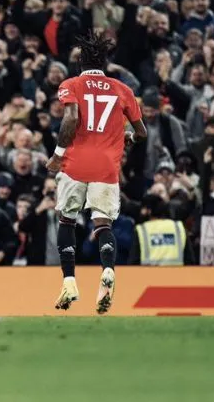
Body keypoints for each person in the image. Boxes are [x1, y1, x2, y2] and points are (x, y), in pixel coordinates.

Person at [46, 32, 147, 314]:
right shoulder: (122, 89)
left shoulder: (72, 84)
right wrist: (127, 135)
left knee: (66, 221)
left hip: (75, 165)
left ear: (80, 63)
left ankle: (69, 281)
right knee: (103, 224)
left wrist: (57, 156)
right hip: (107, 166)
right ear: (105, 64)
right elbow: (141, 132)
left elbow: (71, 118)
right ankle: (108, 271)